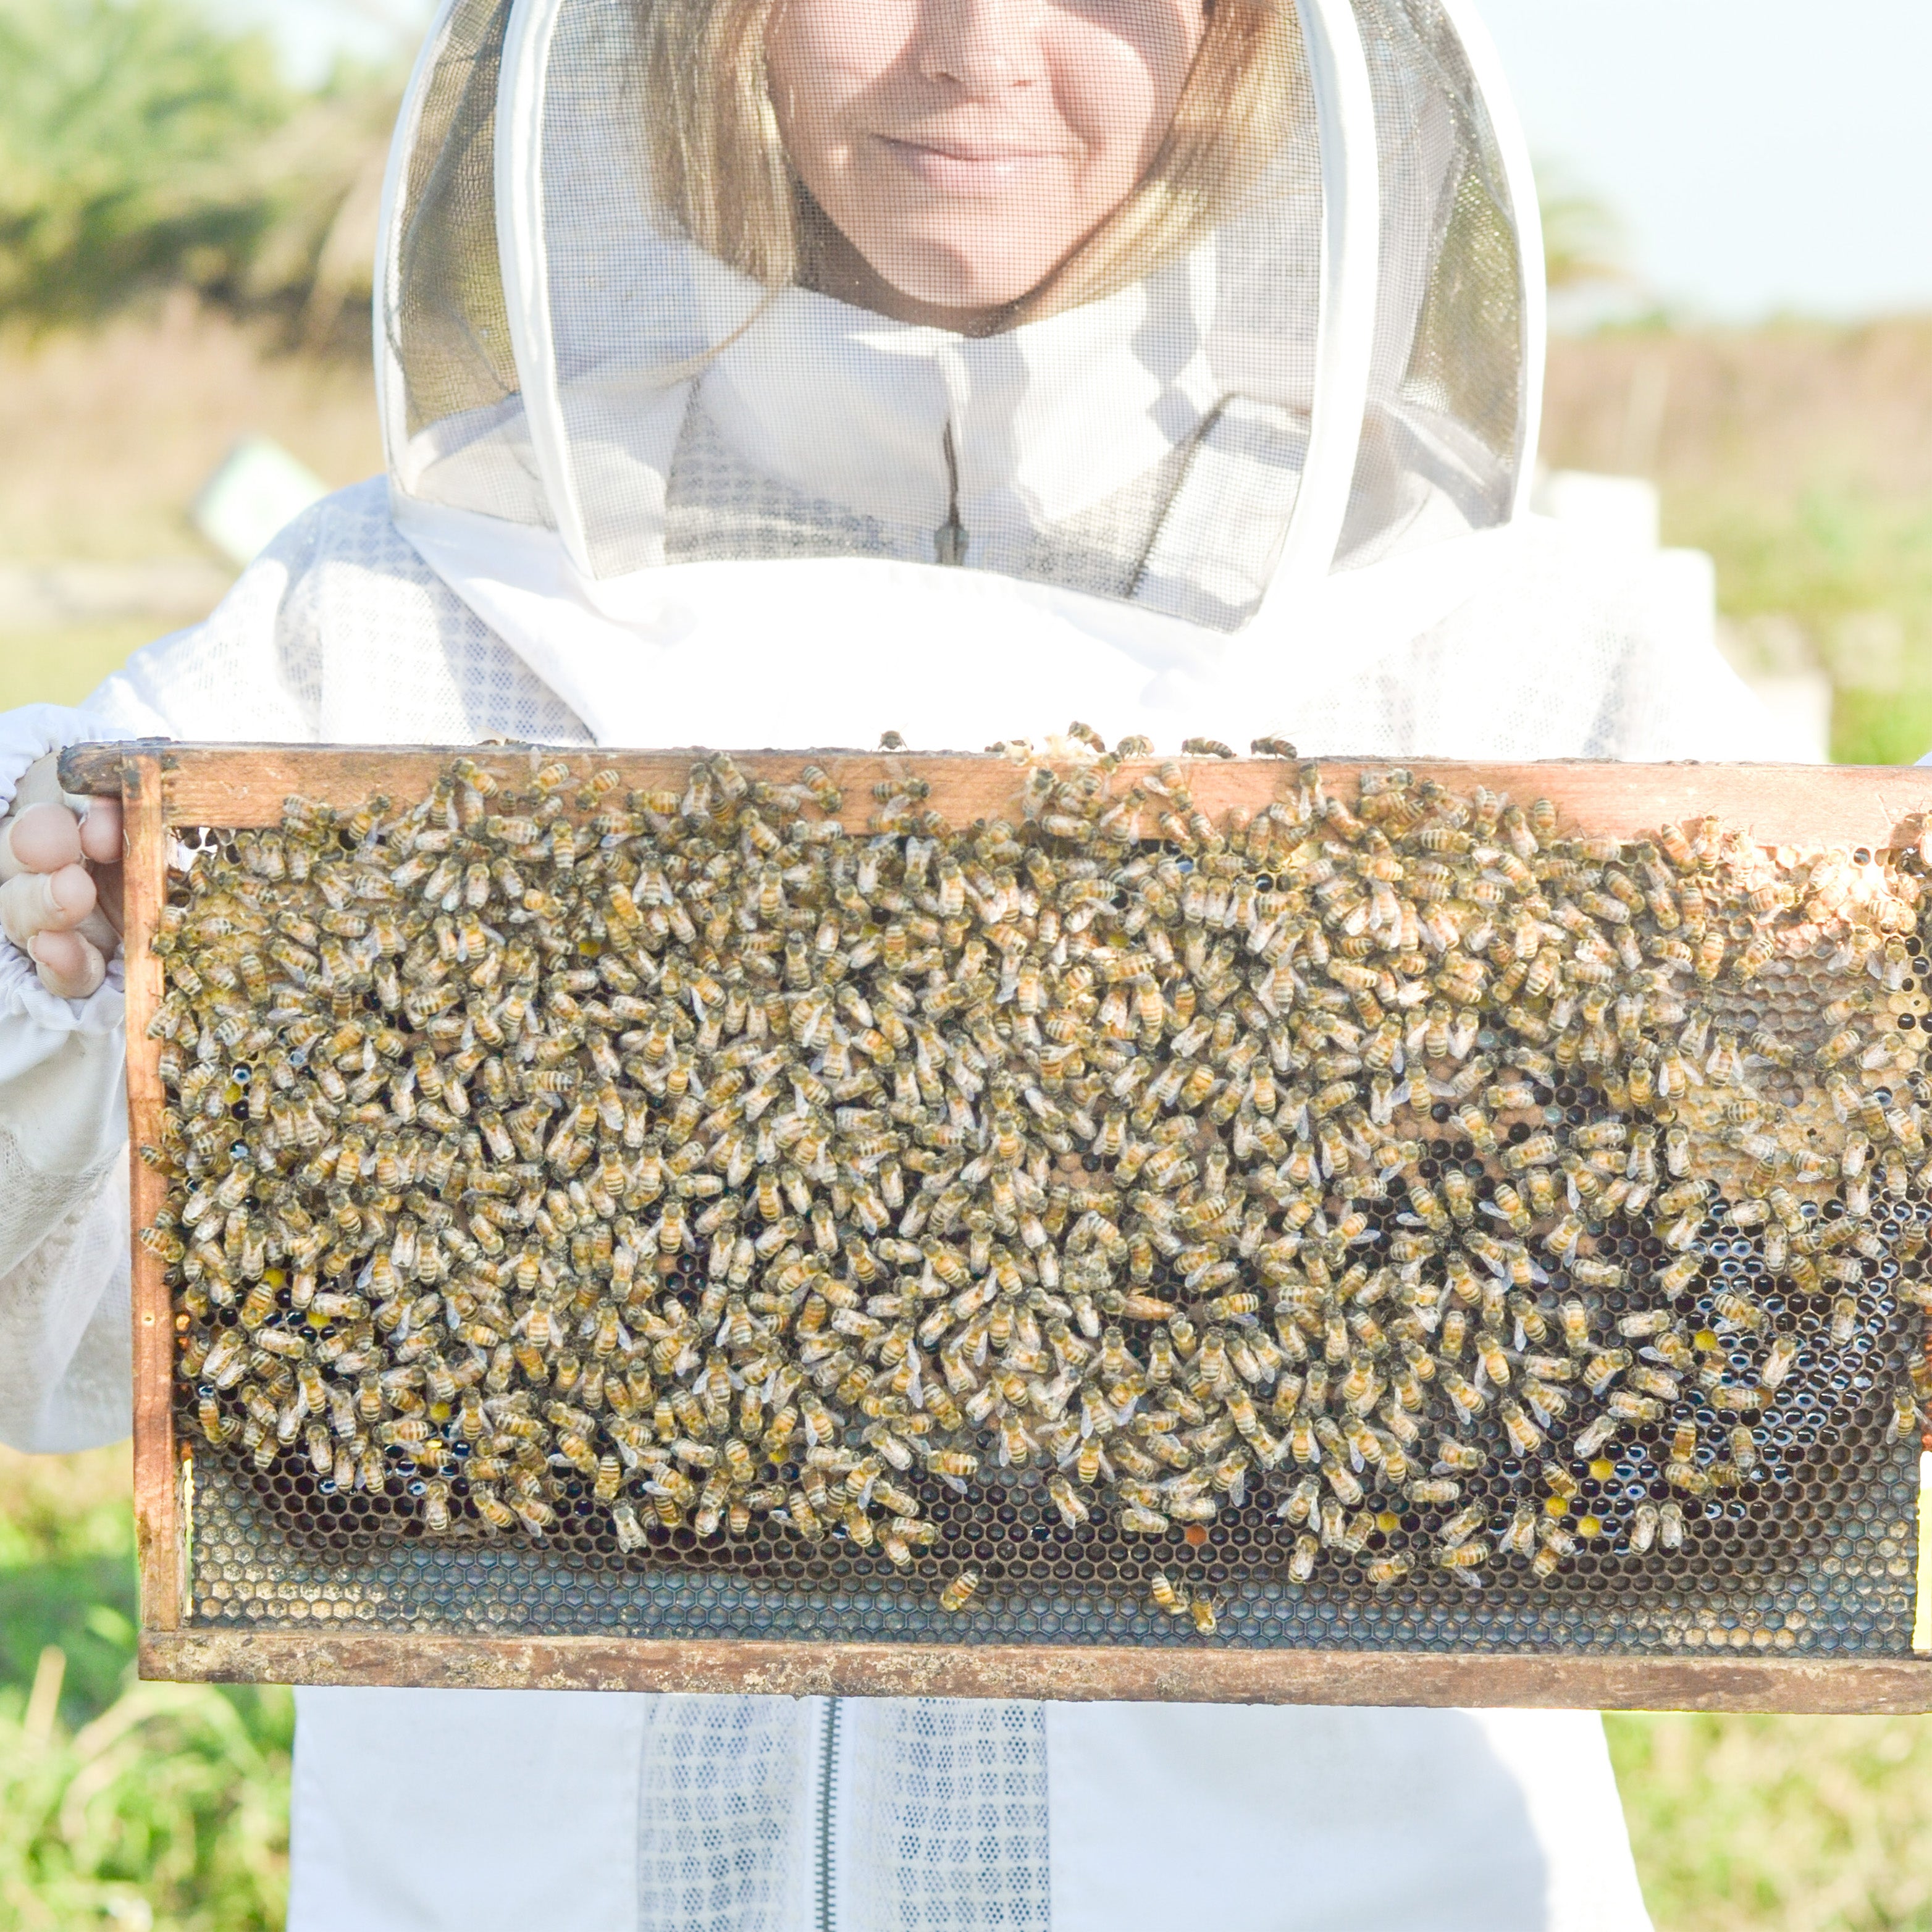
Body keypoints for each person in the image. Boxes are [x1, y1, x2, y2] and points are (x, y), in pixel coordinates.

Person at [0, 1, 1778, 1926]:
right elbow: (56, 1328)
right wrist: (60, 942)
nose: (981, 49)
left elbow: (1777, 1302)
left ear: (1259, 34)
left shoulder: (1510, 639)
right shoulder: (387, 614)